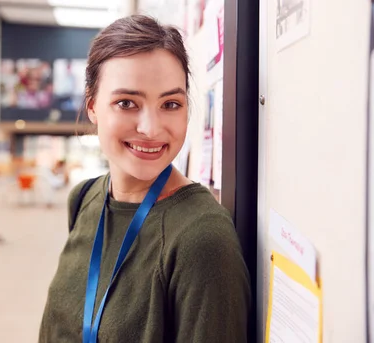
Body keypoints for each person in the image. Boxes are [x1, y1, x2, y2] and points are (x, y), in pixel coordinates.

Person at [39, 15, 250, 343]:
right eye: (127, 103)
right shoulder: (85, 198)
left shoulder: (202, 239)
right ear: (93, 106)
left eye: (170, 103)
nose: (151, 128)